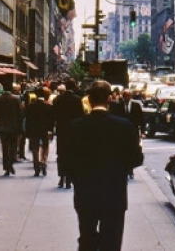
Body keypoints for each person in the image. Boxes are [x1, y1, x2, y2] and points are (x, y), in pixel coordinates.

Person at [69, 80, 144, 251]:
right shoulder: (124, 126)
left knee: (87, 238)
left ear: (89, 98)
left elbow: (68, 162)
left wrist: (79, 180)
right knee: (112, 241)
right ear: (110, 99)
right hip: (114, 193)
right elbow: (136, 159)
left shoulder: (76, 127)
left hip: (85, 193)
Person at [52, 82, 85, 188]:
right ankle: (69, 179)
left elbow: (54, 116)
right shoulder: (77, 99)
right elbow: (81, 116)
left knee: (61, 154)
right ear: (74, 87)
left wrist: (51, 130)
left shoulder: (57, 99)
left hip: (61, 130)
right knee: (72, 154)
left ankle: (61, 177)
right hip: (74, 131)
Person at [109, 88, 146, 179]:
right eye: (125, 96)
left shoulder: (136, 105)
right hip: (122, 132)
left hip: (134, 132)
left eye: (128, 96)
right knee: (124, 151)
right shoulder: (119, 105)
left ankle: (131, 170)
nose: (127, 97)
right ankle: (125, 169)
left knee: (133, 150)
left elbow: (141, 119)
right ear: (123, 96)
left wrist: (143, 131)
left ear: (131, 96)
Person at [0, 83, 23, 176]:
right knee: (13, 147)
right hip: (14, 127)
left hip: (2, 127)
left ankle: (6, 166)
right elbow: (20, 114)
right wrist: (20, 127)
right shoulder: (16, 99)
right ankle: (10, 163)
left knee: (5, 148)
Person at [25, 86, 55, 176]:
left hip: (33, 130)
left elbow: (28, 120)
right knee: (45, 147)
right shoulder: (49, 106)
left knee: (35, 149)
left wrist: (27, 131)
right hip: (45, 130)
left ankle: (36, 168)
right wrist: (51, 131)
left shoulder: (30, 106)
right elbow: (51, 120)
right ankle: (44, 162)